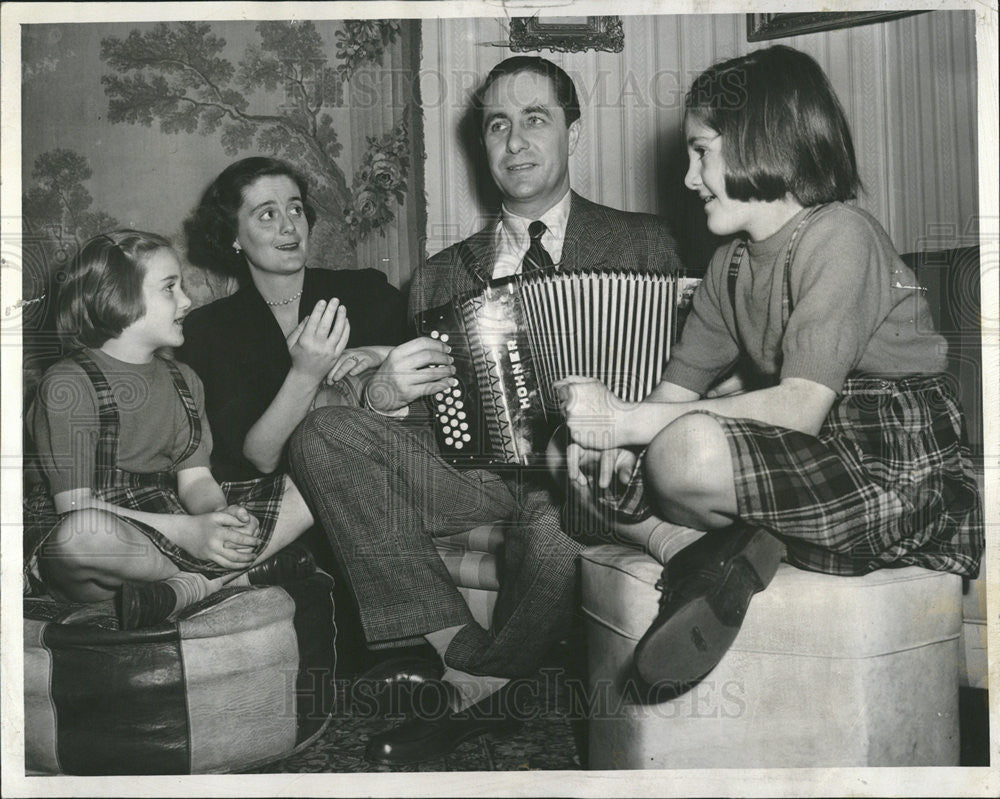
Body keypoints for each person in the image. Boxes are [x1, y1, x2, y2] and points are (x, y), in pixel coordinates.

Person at [289, 55, 682, 764]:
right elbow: (431, 411)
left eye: (536, 119)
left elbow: (689, 366)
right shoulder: (441, 272)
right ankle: (466, 650)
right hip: (480, 472)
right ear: (483, 145)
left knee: (554, 515)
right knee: (321, 434)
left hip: (594, 474)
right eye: (497, 125)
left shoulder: (646, 241)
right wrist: (382, 394)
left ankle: (474, 685)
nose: (515, 141)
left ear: (572, 132)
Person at [554, 45, 984, 691]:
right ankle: (693, 552)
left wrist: (628, 421)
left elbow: (801, 405)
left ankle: (740, 540)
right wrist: (608, 439)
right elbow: (674, 389)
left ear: (760, 142)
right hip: (797, 454)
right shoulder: (729, 266)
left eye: (701, 151)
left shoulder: (841, 234)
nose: (689, 178)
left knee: (687, 451)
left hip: (884, 450)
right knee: (568, 452)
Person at [25, 231, 317, 630]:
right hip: (110, 533)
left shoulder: (185, 380)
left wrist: (220, 518)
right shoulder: (67, 385)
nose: (187, 301)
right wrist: (190, 534)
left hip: (169, 513)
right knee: (78, 536)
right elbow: (74, 507)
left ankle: (186, 586)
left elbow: (196, 481)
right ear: (118, 298)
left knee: (315, 482)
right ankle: (222, 577)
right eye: (170, 288)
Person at [178, 157, 408, 483]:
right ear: (233, 236)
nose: (289, 226)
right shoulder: (208, 331)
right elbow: (261, 457)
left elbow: (433, 363)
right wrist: (306, 373)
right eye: (268, 215)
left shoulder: (366, 291)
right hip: (284, 498)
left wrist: (376, 353)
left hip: (381, 480)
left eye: (296, 209)